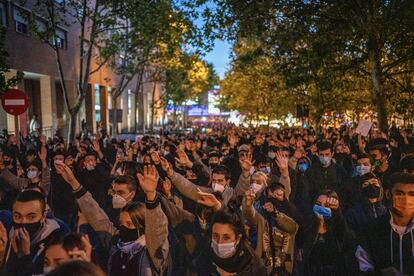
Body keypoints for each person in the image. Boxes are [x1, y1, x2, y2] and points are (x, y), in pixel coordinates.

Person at [55, 162, 171, 276]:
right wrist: (73, 182)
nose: (123, 228)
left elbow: (158, 230)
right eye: (121, 223)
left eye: (130, 224)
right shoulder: (115, 243)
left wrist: (151, 196)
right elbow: (97, 216)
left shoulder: (153, 251)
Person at [356, 172, 414, 274]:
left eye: (412, 194)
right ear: (388, 194)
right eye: (399, 193)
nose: (406, 199)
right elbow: (362, 268)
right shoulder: (372, 230)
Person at [195, 202, 268, 275]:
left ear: (238, 239)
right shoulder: (206, 255)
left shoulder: (255, 268)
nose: (219, 242)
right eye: (216, 236)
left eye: (226, 237)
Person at [5, 190, 64, 275]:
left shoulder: (56, 241)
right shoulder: (6, 234)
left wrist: (24, 256)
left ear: (43, 216)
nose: (23, 222)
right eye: (17, 216)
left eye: (31, 217)